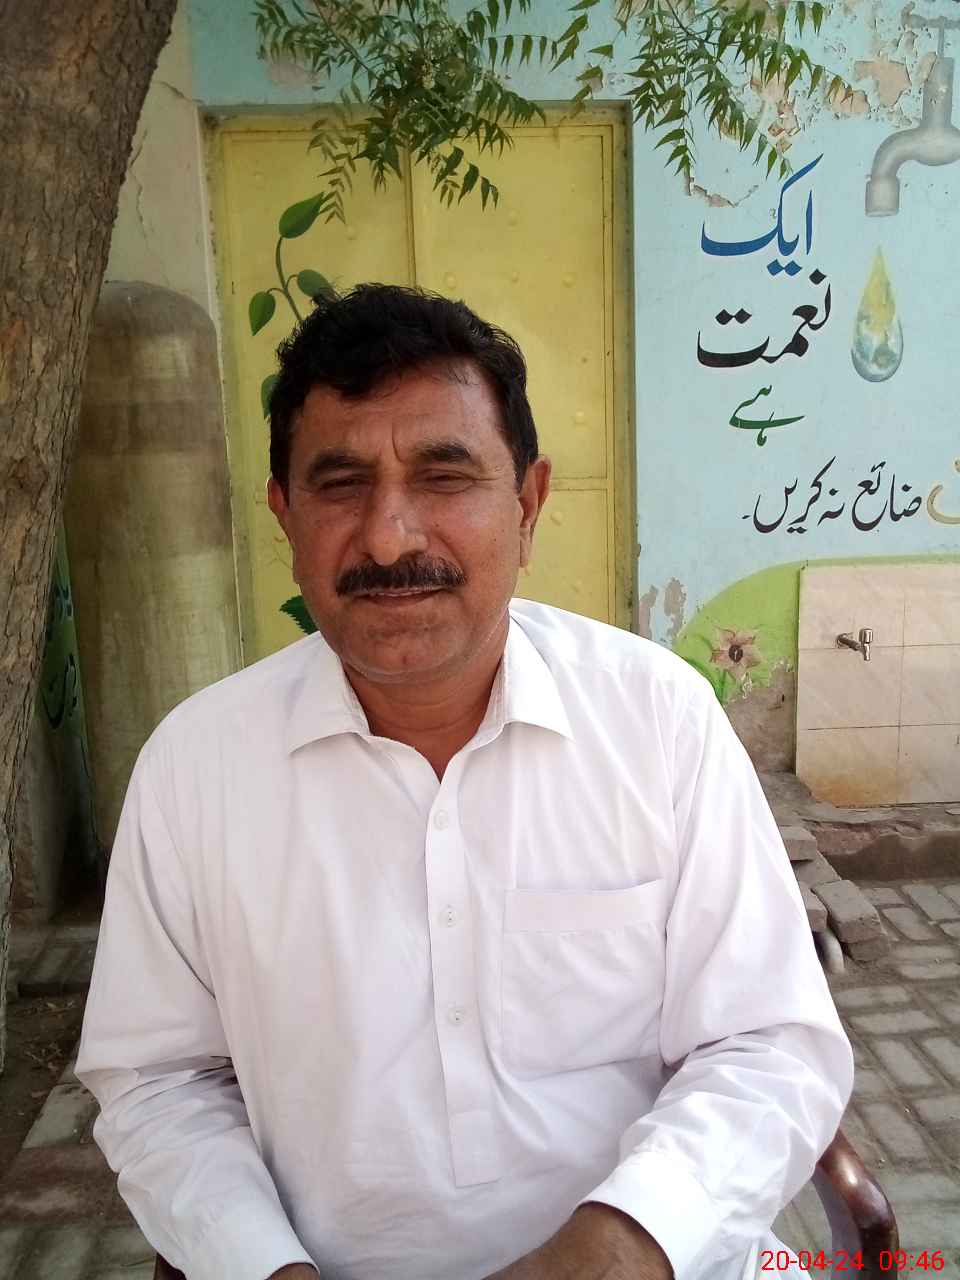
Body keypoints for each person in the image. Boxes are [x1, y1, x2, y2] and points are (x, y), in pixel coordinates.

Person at [76, 284, 854, 1280]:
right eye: (340, 484)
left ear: (527, 505)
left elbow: (771, 1040)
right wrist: (263, 1264)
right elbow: (159, 1081)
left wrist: (626, 1241)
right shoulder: (196, 768)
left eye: (444, 478)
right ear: (284, 515)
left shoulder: (657, 719)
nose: (390, 537)